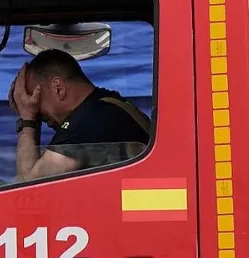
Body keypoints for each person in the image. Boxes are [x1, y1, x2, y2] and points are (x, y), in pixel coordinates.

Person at [8, 48, 151, 181]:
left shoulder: (88, 121)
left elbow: (30, 186)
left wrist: (27, 117)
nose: (36, 110)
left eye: (36, 100)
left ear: (58, 88)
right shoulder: (107, 105)